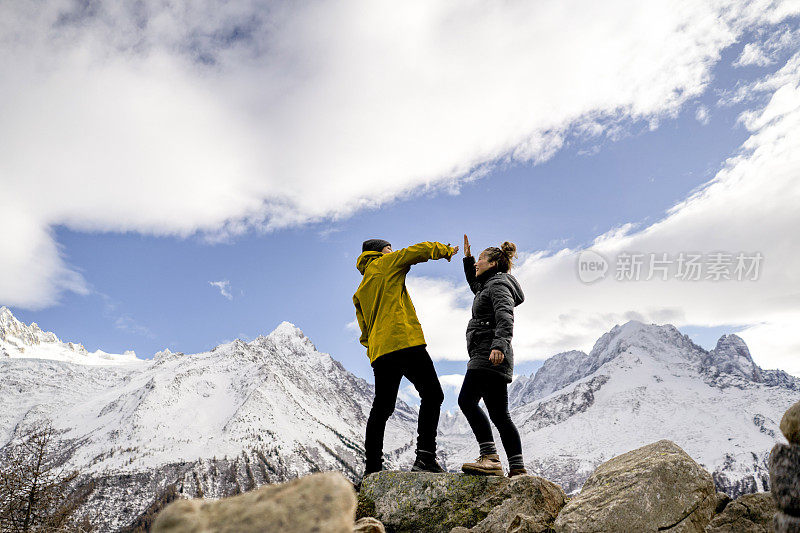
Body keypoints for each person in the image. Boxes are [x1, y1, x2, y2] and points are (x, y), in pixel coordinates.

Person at [353, 238, 459, 477]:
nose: (393, 251)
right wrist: (445, 251)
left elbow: (364, 331)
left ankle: (372, 471)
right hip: (404, 340)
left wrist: (374, 348)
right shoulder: (387, 262)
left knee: (381, 409)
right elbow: (417, 251)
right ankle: (425, 457)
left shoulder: (361, 289)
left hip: (381, 352)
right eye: (389, 248)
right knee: (433, 394)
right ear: (380, 251)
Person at [458, 234, 527, 477]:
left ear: (493, 264)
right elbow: (475, 286)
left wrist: (498, 345)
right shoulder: (490, 284)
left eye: (480, 259)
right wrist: (467, 259)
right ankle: (517, 469)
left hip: (489, 352)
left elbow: (505, 315)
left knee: (466, 401)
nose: (477, 263)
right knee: (499, 414)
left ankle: (490, 457)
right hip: (490, 352)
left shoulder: (498, 285)